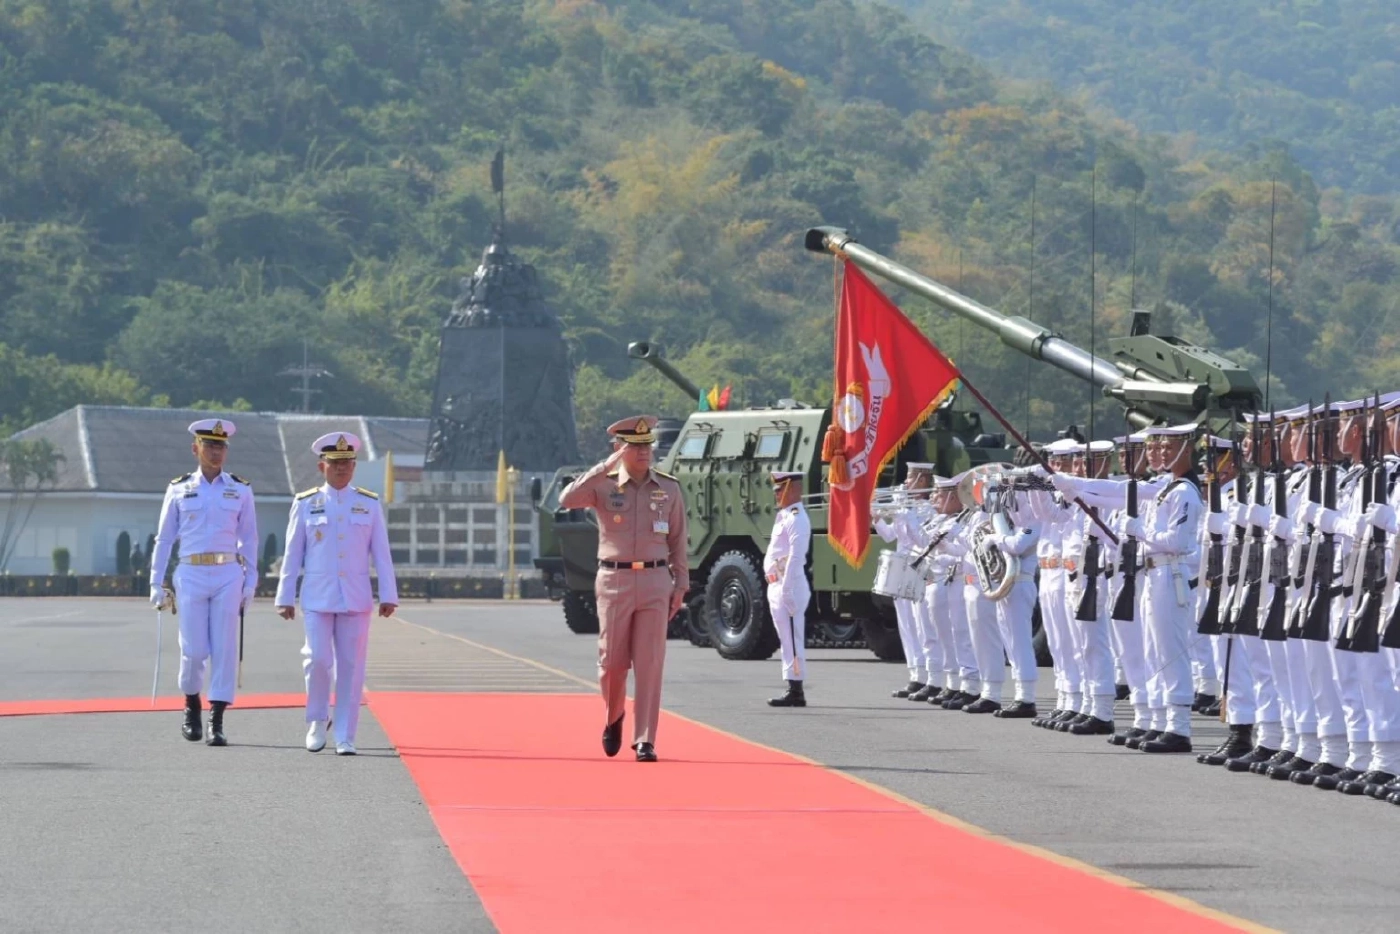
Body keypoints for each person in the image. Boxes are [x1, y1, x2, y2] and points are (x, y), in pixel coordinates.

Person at [559, 415, 688, 762]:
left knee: (650, 662)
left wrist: (681, 583)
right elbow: (567, 498)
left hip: (655, 580)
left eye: (648, 446)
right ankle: (614, 714)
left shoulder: (669, 488)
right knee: (612, 663)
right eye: (636, 446)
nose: (645, 452)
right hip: (614, 580)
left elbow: (677, 539)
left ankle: (645, 738)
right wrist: (606, 465)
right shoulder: (603, 485)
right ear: (619, 449)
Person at [275, 432, 398, 756]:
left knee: (351, 666)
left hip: (356, 597)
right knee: (316, 660)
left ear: (354, 466)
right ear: (322, 466)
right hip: (317, 595)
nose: (341, 468)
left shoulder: (368, 504)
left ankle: (345, 733)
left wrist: (388, 594)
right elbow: (292, 553)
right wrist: (284, 596)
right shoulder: (306, 503)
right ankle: (318, 719)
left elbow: (381, 554)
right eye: (335, 463)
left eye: (347, 463)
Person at [149, 419, 259, 747]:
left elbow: (250, 539)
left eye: (221, 445)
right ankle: (192, 701)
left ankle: (218, 718)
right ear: (195, 448)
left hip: (227, 572)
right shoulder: (179, 488)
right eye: (209, 445)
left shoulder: (240, 488)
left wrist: (251, 581)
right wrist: (156, 581)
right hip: (191, 572)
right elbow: (165, 538)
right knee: (194, 649)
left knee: (225, 648)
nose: (216, 451)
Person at [764, 470, 812, 707]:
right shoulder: (784, 516)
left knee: (793, 639)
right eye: (776, 490)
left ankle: (797, 689)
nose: (777, 494)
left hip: (788, 585)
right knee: (786, 639)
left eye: (781, 489)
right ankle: (792, 683)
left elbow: (795, 556)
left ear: (794, 489)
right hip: (777, 583)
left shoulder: (796, 517)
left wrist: (787, 589)